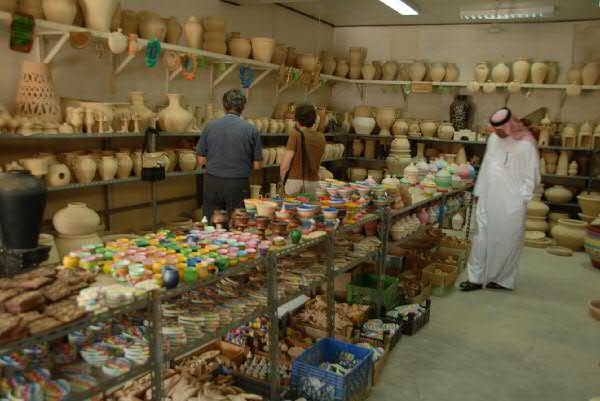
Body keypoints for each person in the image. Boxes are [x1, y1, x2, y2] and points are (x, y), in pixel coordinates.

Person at [460, 107, 540, 292]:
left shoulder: (527, 144)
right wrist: (478, 192)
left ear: (509, 126)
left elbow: (532, 175)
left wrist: (522, 199)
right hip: (488, 197)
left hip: (512, 202)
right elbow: (486, 166)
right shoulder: (493, 139)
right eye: (494, 129)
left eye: (500, 129)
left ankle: (502, 279)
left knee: (507, 241)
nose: (496, 132)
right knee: (481, 239)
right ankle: (475, 278)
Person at [196, 89, 263, 221]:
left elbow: (201, 160)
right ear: (243, 107)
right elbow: (257, 165)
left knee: (212, 222)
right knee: (237, 224)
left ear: (224, 106)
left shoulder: (210, 126)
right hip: (237, 183)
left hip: (213, 182)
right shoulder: (251, 129)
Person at [279, 104, 325, 195]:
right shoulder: (321, 137)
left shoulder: (296, 135)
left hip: (296, 183)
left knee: (291, 205)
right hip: (314, 184)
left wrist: (284, 182)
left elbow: (284, 166)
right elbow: (319, 162)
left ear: (297, 119)